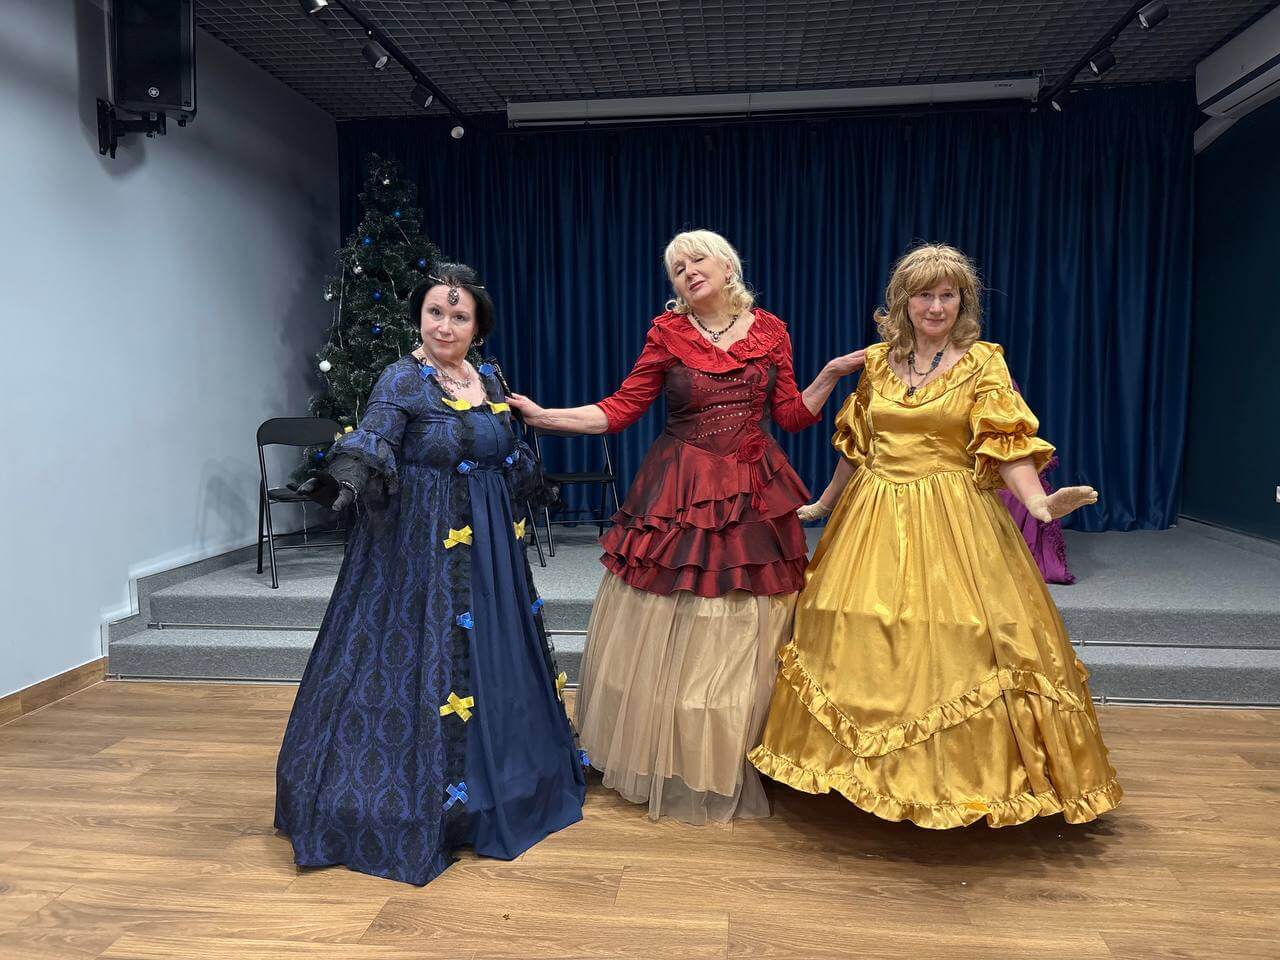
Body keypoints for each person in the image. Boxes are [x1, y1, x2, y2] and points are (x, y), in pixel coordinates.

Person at [751, 244, 1121, 828]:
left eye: (949, 295)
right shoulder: (876, 363)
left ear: (962, 302)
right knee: (847, 622)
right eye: (925, 294)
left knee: (962, 634)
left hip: (954, 519)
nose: (937, 306)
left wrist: (1038, 504)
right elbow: (859, 447)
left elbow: (1006, 445)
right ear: (904, 301)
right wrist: (823, 503)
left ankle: (957, 783)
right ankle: (852, 773)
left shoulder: (983, 363)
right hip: (872, 514)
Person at [507, 230, 864, 823]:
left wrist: (828, 374)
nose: (688, 271)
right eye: (677, 267)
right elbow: (620, 409)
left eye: (697, 259)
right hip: (680, 488)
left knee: (743, 623)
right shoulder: (667, 333)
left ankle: (733, 754)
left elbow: (791, 416)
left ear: (727, 267)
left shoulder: (771, 331)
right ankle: (669, 754)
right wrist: (545, 417)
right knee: (673, 620)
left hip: (751, 488)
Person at [276, 264, 585, 885]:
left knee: (493, 657)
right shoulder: (401, 378)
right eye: (435, 313)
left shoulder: (488, 377)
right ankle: (416, 800)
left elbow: (505, 446)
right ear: (419, 318)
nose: (445, 325)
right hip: (417, 550)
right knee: (415, 659)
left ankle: (504, 778)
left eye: (459, 316)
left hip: (491, 547)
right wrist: (347, 479)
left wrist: (532, 480)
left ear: (478, 327)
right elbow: (376, 436)